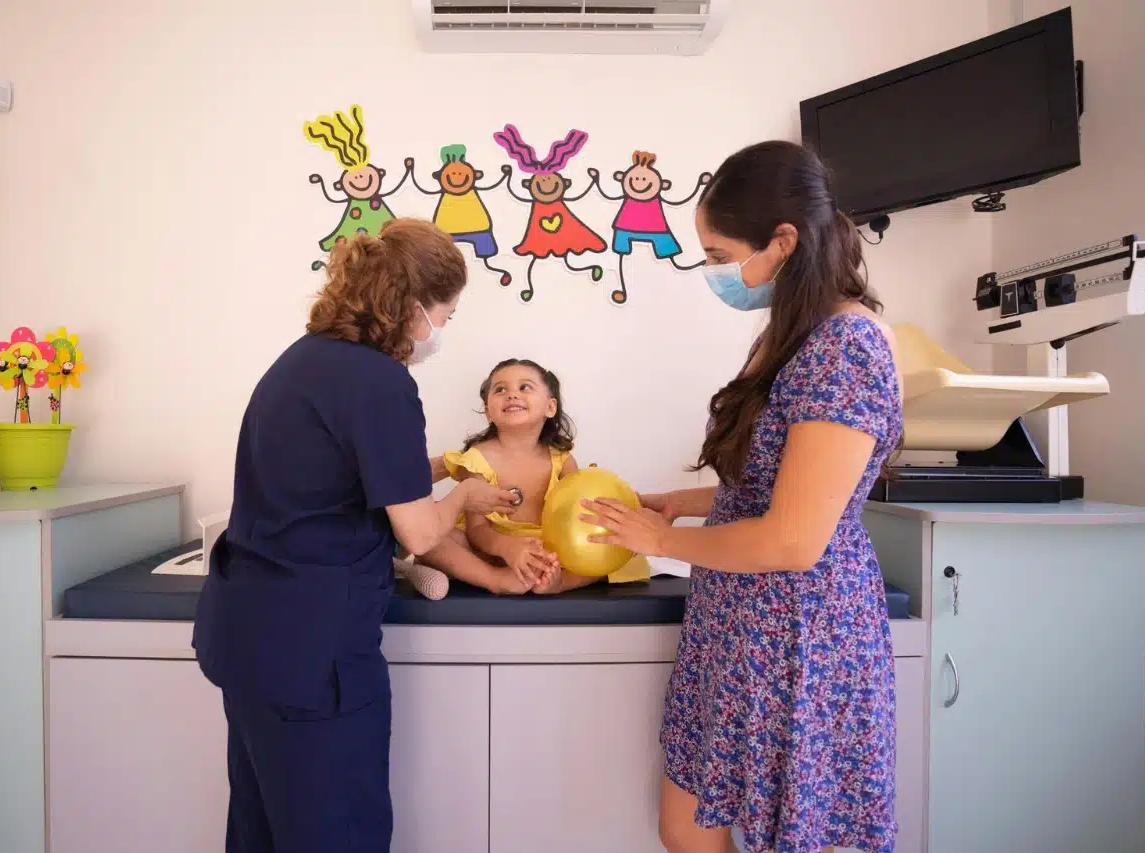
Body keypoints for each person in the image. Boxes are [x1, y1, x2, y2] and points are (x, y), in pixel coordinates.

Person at [582, 141, 903, 853]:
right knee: (685, 828)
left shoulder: (846, 346)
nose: (714, 271)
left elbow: (793, 536)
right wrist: (673, 502)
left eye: (719, 252)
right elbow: (767, 478)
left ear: (783, 241)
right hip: (735, 628)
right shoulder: (790, 335)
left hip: (798, 639)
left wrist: (658, 540)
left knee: (780, 836)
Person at [192, 218, 519, 853]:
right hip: (314, 653)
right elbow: (421, 531)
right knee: (336, 833)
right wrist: (465, 497)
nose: (442, 333)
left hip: (252, 637)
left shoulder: (306, 359)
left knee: (263, 830)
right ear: (414, 308)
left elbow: (343, 474)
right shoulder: (379, 381)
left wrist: (444, 467)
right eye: (446, 316)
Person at [419, 358, 651, 594]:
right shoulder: (476, 459)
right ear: (488, 412)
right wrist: (507, 548)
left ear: (550, 408)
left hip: (547, 548)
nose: (512, 395)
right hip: (490, 549)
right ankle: (494, 578)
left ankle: (558, 583)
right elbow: (477, 530)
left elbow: (579, 516)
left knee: (620, 548)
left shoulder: (561, 460)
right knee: (425, 531)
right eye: (500, 389)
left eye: (525, 387)